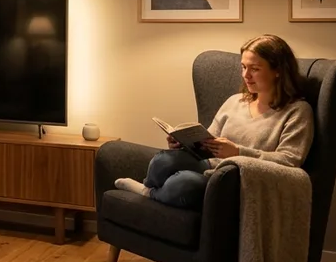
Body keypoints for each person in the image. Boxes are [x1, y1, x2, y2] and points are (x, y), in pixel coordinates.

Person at [115, 34, 315, 209]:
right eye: (243, 67)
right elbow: (208, 139)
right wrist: (184, 143)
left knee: (184, 183)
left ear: (278, 70)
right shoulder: (235, 101)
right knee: (163, 160)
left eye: (254, 68)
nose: (246, 75)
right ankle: (153, 188)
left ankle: (148, 193)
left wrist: (238, 152)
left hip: (238, 179)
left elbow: (290, 161)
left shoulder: (297, 111)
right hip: (209, 164)